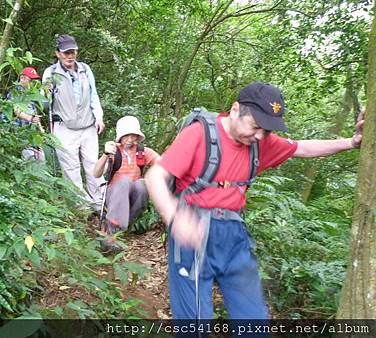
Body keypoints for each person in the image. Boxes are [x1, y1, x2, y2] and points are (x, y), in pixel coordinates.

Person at [145, 82, 364, 320]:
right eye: (256, 127)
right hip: (193, 232)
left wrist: (352, 142)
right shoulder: (200, 134)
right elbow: (155, 175)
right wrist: (175, 217)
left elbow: (302, 148)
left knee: (253, 320)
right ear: (236, 109)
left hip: (235, 236)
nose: (260, 136)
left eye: (267, 131)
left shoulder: (260, 144)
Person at [42, 34, 106, 213]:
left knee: (93, 164)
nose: (70, 56)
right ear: (58, 53)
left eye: (73, 52)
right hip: (64, 127)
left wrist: (99, 117)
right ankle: (82, 207)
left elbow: (94, 95)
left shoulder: (85, 69)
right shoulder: (51, 73)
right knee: (71, 167)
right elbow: (45, 103)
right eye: (66, 53)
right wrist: (46, 92)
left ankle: (99, 203)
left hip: (88, 126)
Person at [93, 116, 160, 251]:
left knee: (142, 184)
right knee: (124, 180)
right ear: (120, 136)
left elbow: (163, 164)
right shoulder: (114, 151)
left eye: (133, 136)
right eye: (126, 136)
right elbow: (96, 173)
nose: (130, 140)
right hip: (114, 194)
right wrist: (105, 155)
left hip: (132, 197)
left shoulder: (142, 152)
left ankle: (121, 226)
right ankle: (110, 232)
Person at [6, 66, 45, 162]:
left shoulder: (30, 94)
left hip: (31, 135)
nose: (33, 83)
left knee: (40, 158)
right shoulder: (15, 92)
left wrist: (41, 130)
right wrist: (30, 119)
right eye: (31, 80)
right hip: (19, 133)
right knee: (28, 158)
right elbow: (16, 110)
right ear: (22, 78)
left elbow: (34, 113)